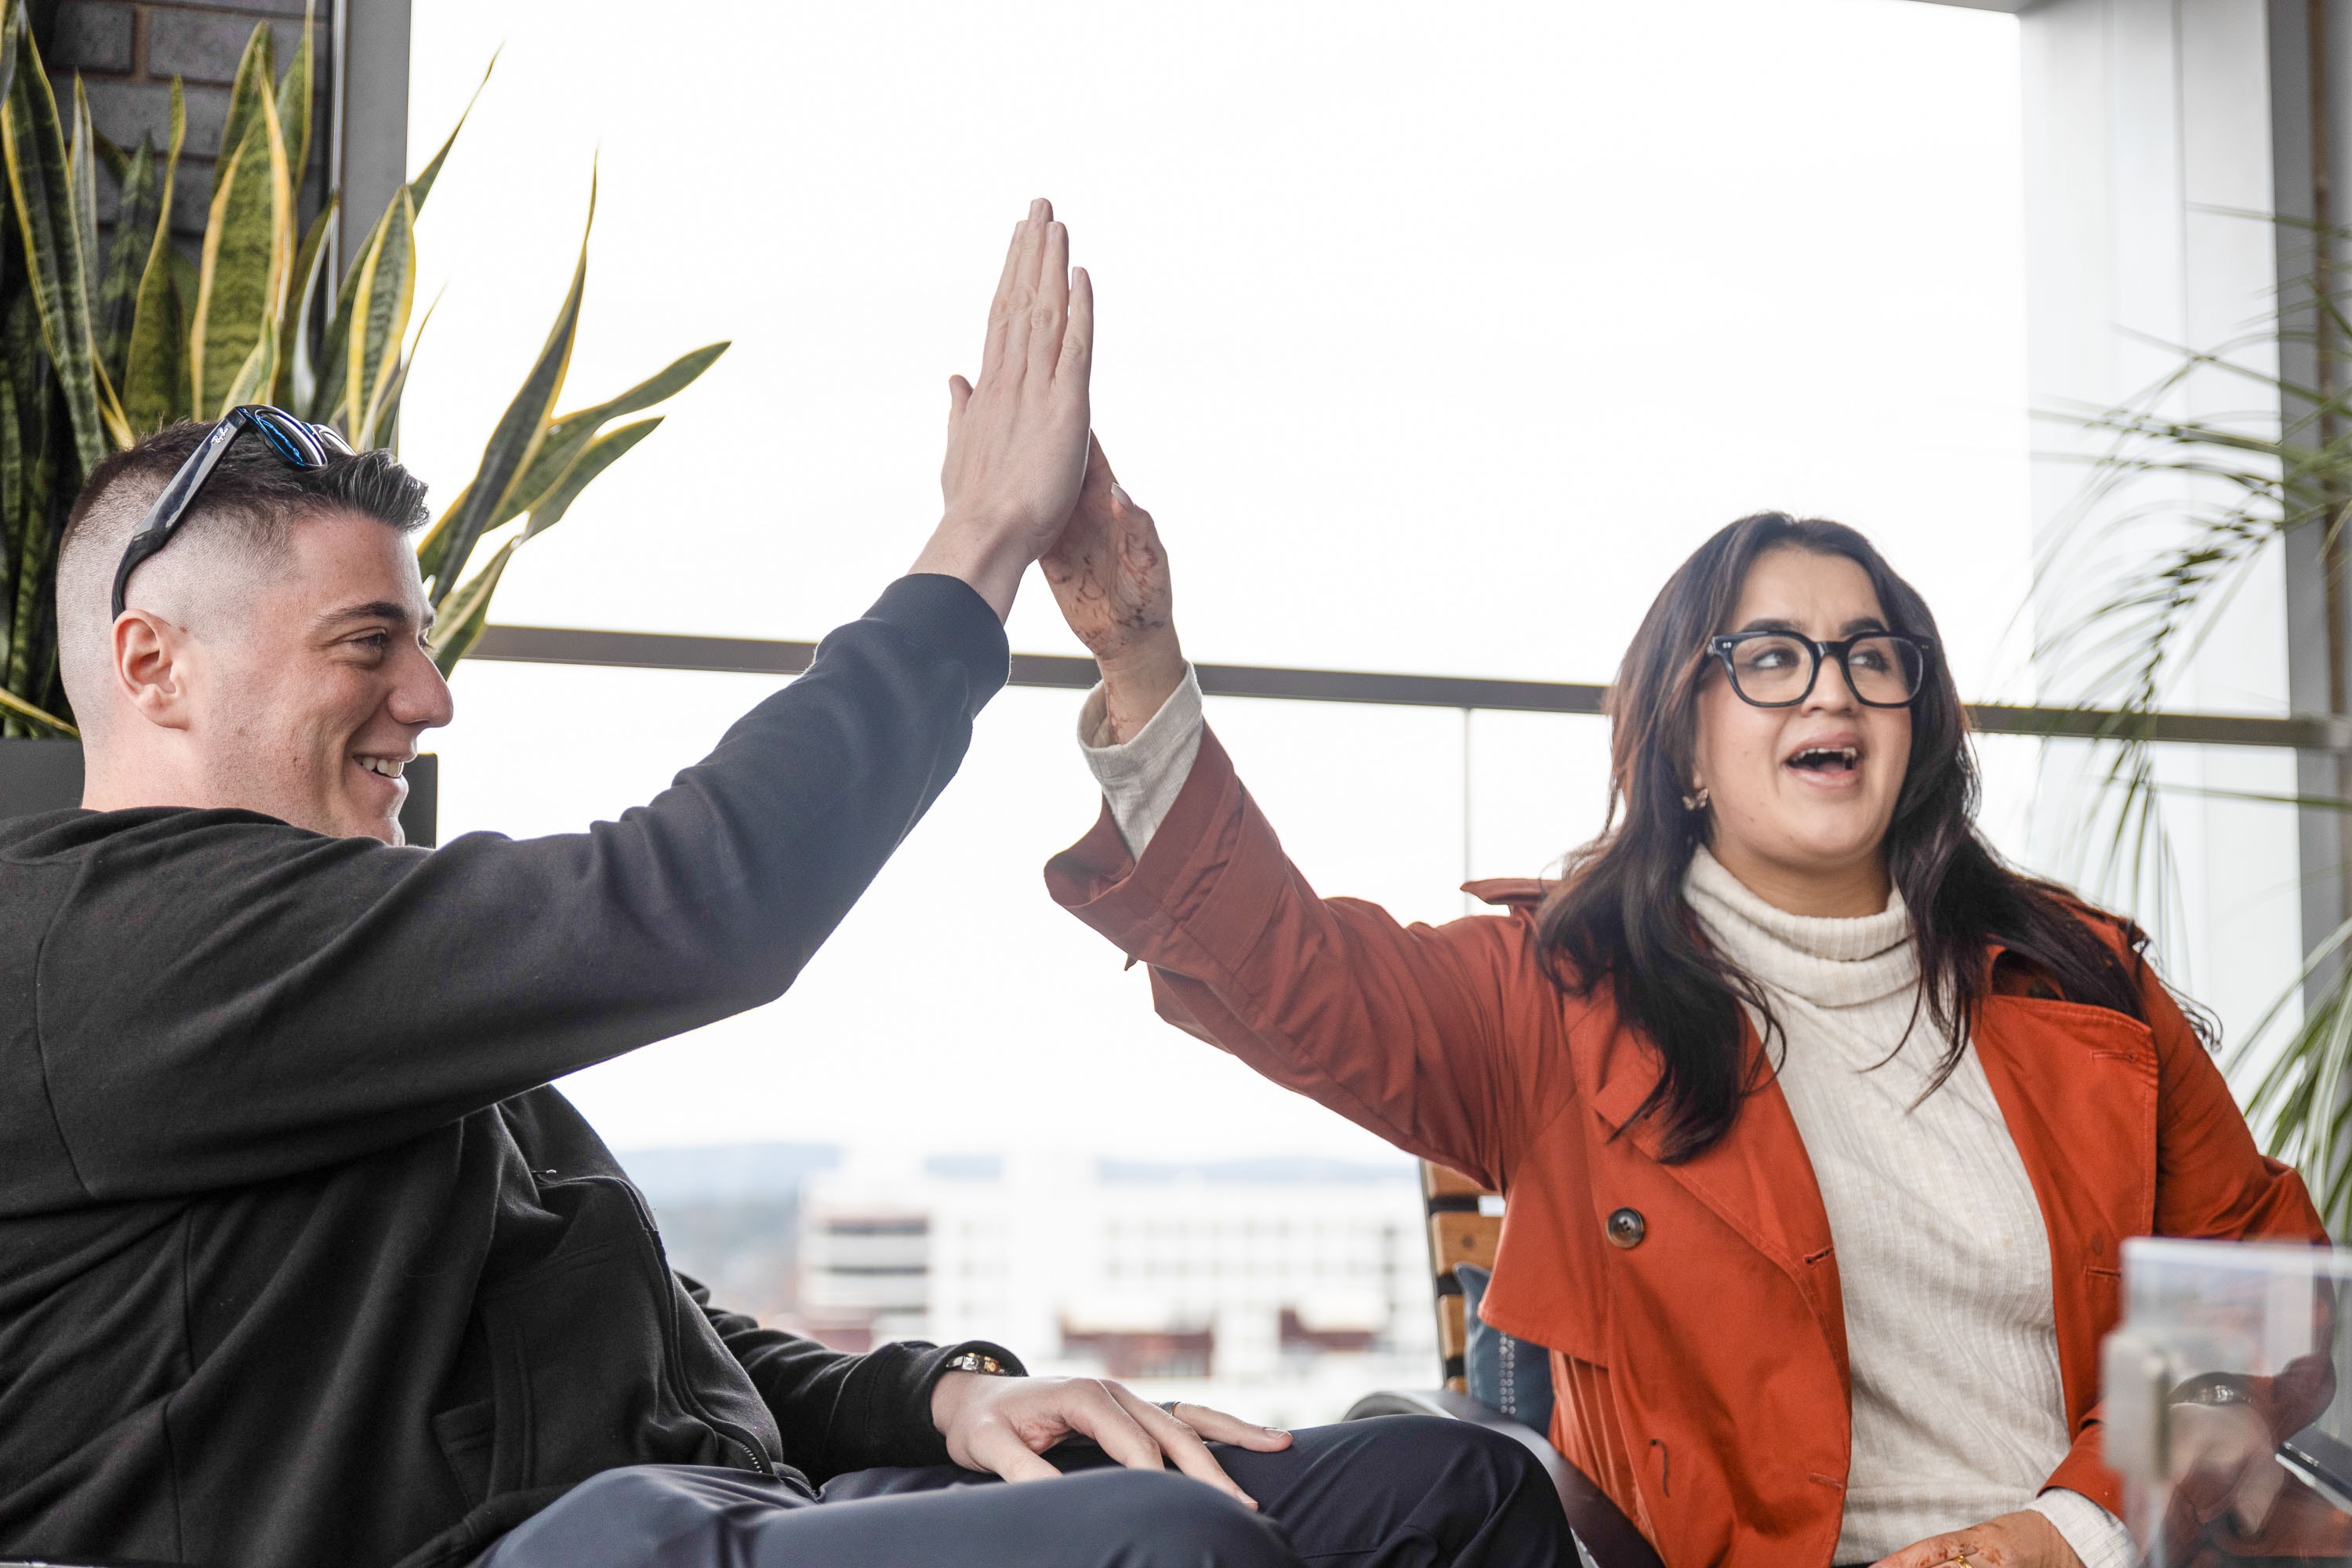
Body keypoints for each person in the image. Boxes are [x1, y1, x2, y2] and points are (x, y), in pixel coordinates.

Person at [0, 203, 1567, 1568]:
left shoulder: (348, 973)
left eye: (425, 642)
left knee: (1452, 1486)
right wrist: (975, 552)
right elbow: (690, 899)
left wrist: (942, 1396)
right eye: (370, 644)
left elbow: (648, 1322)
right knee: (1170, 1546)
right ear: (155, 664)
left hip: (701, 1505)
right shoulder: (92, 949)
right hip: (534, 1548)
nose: (432, 696)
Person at [1040, 444, 2332, 1568]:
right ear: (1684, 739)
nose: (1831, 690)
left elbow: (2259, 1292)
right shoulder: (1555, 1000)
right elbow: (1287, 978)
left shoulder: (2078, 978)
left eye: (1870, 657)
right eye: (1770, 658)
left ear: (1917, 720)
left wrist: (2070, 1534)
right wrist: (1139, 656)